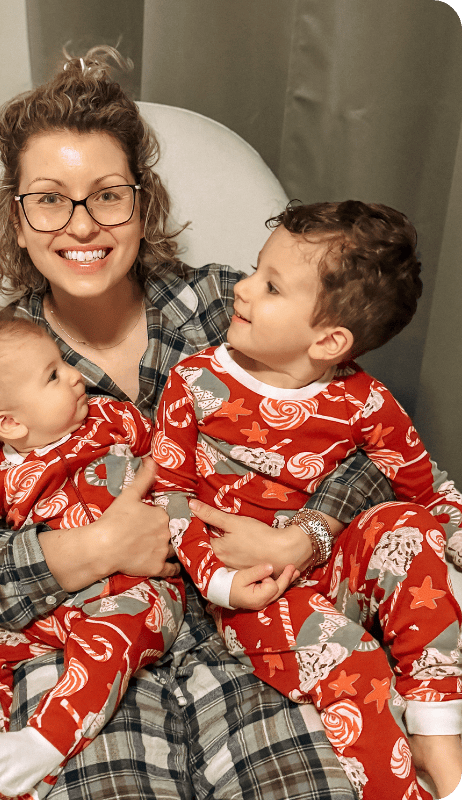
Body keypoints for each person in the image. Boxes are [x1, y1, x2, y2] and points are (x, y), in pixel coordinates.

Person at [0, 46, 424, 800]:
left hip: (260, 627)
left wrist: (306, 535)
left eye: (108, 195)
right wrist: (95, 548)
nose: (81, 225)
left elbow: (371, 441)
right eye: (50, 200)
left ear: (142, 203)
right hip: (80, 656)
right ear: (18, 221)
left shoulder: (233, 305)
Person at [151, 200, 462, 799]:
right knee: (352, 660)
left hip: (333, 563)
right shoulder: (194, 382)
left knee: (407, 525)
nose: (242, 289)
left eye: (270, 286)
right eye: (255, 270)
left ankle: (437, 732)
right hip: (257, 590)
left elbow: (424, 488)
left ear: (329, 340)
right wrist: (220, 581)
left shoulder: (365, 400)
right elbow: (172, 493)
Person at [0, 304, 185, 798]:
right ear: (9, 423)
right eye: (54, 375)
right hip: (50, 606)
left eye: (63, 363)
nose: (77, 375)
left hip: (134, 590)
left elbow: (174, 457)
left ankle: (43, 744)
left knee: (111, 638)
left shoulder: (113, 419)